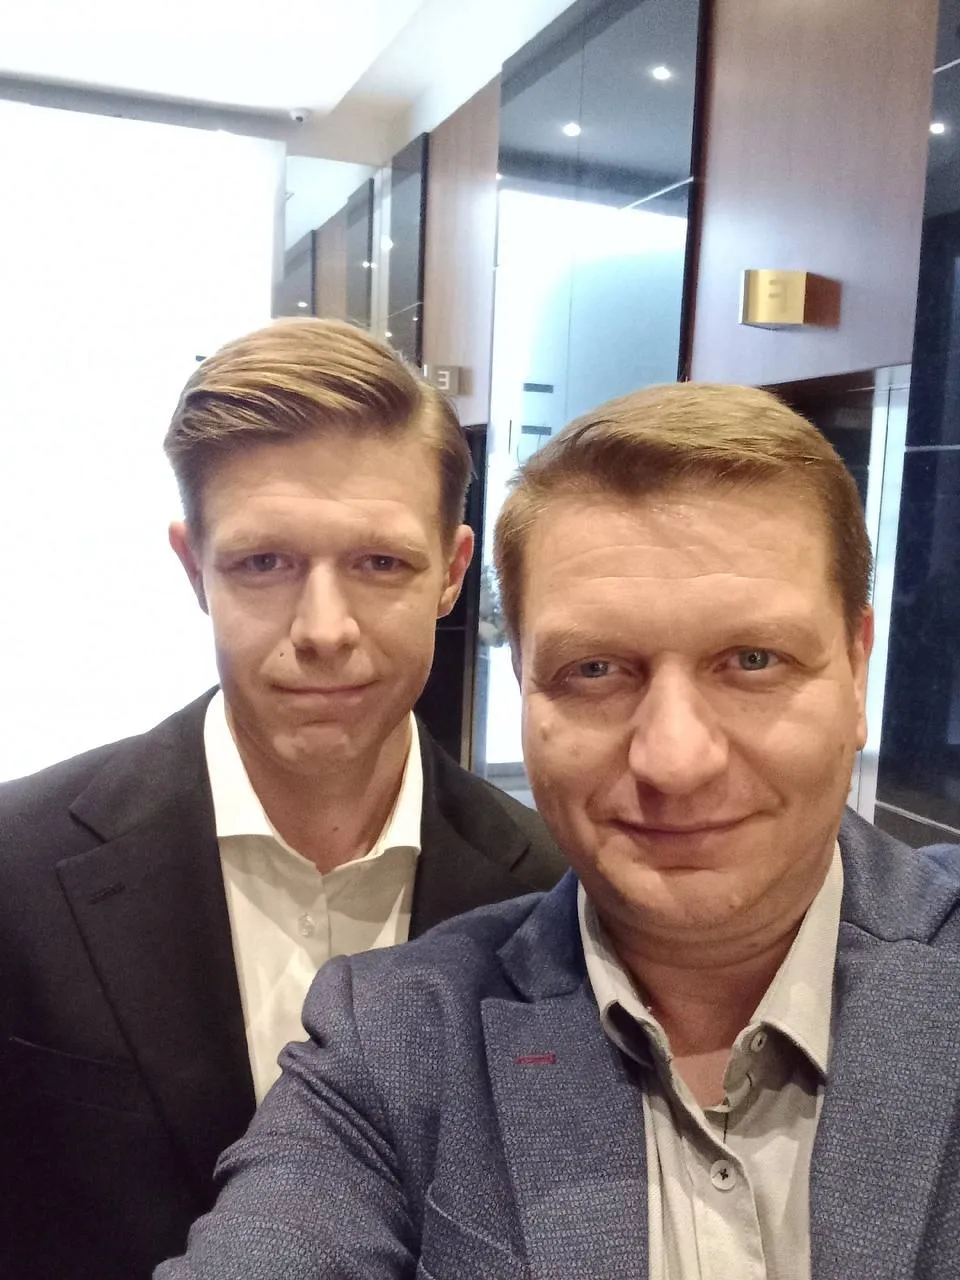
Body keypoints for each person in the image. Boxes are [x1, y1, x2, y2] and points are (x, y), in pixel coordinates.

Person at [156, 382, 960, 1280]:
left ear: (856, 668)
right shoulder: (396, 1044)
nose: (676, 759)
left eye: (753, 660)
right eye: (595, 670)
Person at [0, 319, 564, 1280]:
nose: (325, 629)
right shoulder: (18, 871)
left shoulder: (556, 895)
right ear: (194, 568)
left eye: (380, 563)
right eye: (264, 563)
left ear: (452, 572)